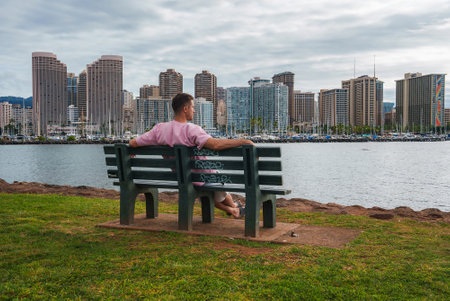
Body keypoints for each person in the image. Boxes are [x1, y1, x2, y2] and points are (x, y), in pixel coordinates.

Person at [129, 93, 254, 218]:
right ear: (185, 109)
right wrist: (244, 141)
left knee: (212, 188)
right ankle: (234, 209)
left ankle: (234, 209)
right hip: (203, 177)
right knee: (216, 184)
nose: (194, 110)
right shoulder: (192, 130)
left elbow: (133, 142)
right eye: (192, 107)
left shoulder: (159, 129)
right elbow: (215, 145)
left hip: (181, 178)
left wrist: (133, 149)